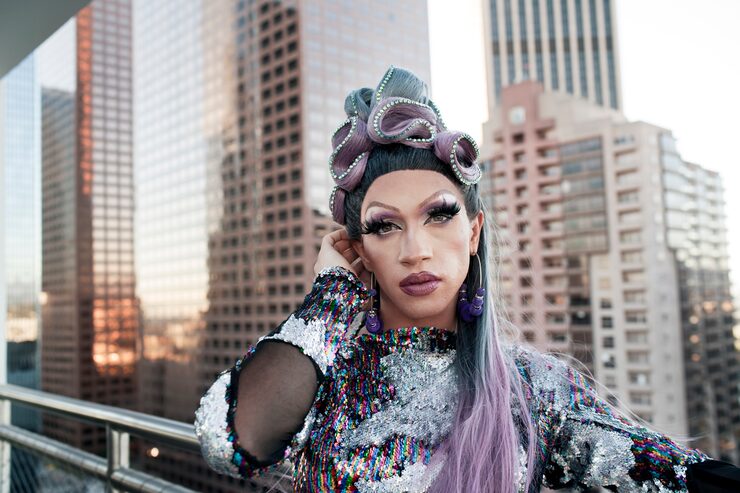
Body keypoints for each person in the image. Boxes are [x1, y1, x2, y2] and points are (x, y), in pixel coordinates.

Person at [194, 66, 739, 492]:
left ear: (474, 232)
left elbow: (674, 474)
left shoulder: (534, 388)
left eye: (439, 215)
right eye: (384, 226)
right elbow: (233, 443)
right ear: (357, 250)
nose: (416, 251)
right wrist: (332, 297)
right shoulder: (321, 373)